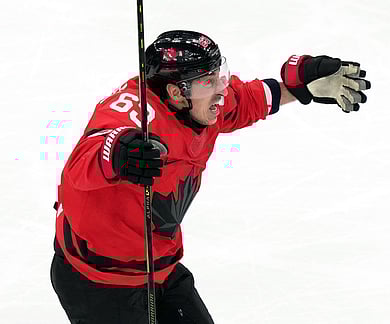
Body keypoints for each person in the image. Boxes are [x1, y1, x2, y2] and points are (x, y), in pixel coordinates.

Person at [50, 30, 371, 324]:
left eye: (219, 76)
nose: (220, 89)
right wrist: (118, 152)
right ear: (176, 92)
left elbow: (243, 101)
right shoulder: (139, 116)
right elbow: (81, 163)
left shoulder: (201, 105)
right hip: (98, 281)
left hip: (158, 268)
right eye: (209, 82)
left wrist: (297, 88)